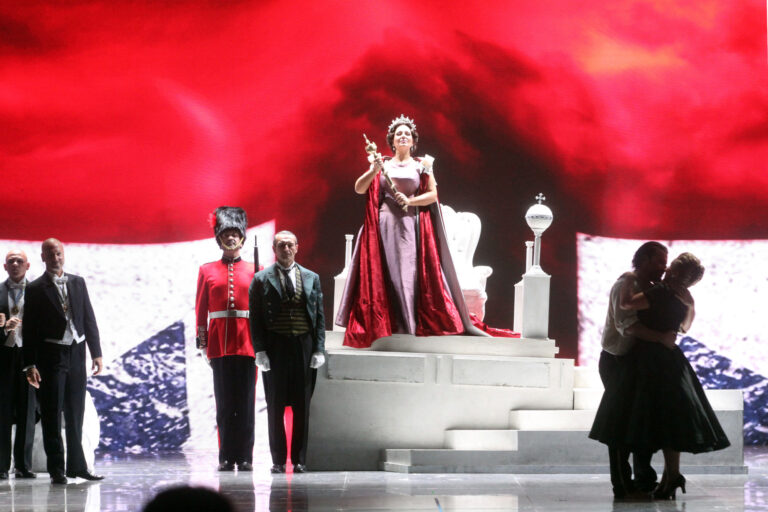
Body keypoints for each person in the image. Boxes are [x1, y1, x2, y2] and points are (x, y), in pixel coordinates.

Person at [335, 114, 486, 347]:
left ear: (413, 140)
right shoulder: (381, 162)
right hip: (383, 225)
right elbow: (359, 188)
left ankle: (408, 323)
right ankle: (387, 321)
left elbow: (433, 194)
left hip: (409, 225)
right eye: (398, 134)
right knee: (383, 271)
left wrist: (410, 201)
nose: (403, 136)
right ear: (392, 141)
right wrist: (374, 169)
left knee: (406, 272)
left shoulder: (422, 165)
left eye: (407, 133)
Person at [618, 252, 730, 499]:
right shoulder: (684, 299)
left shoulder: (659, 292)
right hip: (672, 361)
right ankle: (671, 476)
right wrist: (690, 305)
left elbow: (626, 304)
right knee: (671, 419)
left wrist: (627, 278)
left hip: (650, 358)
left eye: (671, 266)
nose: (666, 268)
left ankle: (669, 477)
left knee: (654, 418)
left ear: (675, 272)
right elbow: (684, 328)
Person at [588, 241, 677, 499]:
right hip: (617, 361)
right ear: (645, 259)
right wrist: (660, 338)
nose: (664, 267)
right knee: (619, 423)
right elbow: (626, 326)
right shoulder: (624, 284)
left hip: (638, 362)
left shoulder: (651, 289)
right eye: (660, 261)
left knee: (641, 420)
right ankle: (623, 484)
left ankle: (643, 479)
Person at [21, 239, 104, 484]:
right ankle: (57, 468)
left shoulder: (78, 282)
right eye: (50, 254)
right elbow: (30, 329)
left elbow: (89, 318)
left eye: (58, 253)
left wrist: (96, 352)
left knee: (76, 412)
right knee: (51, 413)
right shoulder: (35, 288)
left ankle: (77, 466)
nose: (55, 258)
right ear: (43, 257)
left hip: (77, 354)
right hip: (51, 356)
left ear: (63, 254)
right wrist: (30, 364)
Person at [249, 231, 325, 473]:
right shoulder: (261, 279)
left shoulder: (312, 277)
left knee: (302, 405)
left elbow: (319, 317)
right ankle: (278, 461)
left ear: (297, 247)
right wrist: (259, 350)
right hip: (275, 347)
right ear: (274, 248)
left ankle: (300, 460)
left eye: (290, 245)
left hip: (303, 346)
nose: (286, 249)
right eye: (281, 245)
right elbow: (256, 319)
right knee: (275, 405)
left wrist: (318, 348)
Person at [195, 206, 257, 472]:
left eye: (235, 233)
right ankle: (225, 456)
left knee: (245, 404)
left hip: (248, 343)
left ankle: (245, 457)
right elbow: (201, 307)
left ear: (242, 238)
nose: (231, 238)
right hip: (219, 343)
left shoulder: (256, 268)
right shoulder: (207, 270)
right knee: (224, 405)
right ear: (219, 238)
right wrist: (202, 339)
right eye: (226, 233)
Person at [0, 250, 37, 480]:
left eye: (19, 261)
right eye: (11, 261)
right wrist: (4, 329)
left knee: (27, 412)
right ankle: (1, 466)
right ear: (5, 267)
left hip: (29, 356)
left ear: (28, 265)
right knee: (1, 412)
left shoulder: (39, 292)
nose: (15, 264)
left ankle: (23, 466)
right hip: (3, 356)